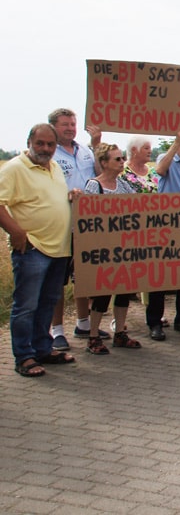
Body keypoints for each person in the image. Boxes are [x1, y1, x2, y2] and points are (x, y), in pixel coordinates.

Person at [0, 124, 76, 376]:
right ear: (29, 143)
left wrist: (71, 197)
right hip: (33, 248)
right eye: (40, 143)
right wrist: (16, 232)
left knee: (48, 302)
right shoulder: (14, 168)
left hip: (58, 249)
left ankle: (43, 348)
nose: (45, 148)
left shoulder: (54, 167)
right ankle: (24, 357)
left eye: (50, 144)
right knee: (26, 306)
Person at [48, 108, 104, 350]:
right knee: (57, 281)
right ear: (53, 127)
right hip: (61, 224)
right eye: (65, 124)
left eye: (73, 124)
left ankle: (83, 323)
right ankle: (57, 330)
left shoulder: (85, 151)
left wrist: (96, 144)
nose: (70, 128)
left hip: (86, 225)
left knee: (84, 277)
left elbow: (100, 175)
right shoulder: (50, 153)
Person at [82, 143, 143, 354]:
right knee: (102, 293)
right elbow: (88, 218)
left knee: (124, 291)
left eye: (122, 158)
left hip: (123, 247)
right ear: (104, 162)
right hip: (103, 249)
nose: (122, 162)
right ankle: (93, 336)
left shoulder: (123, 185)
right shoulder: (94, 186)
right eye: (117, 159)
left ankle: (120, 332)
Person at [147, 129, 180, 339]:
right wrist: (175, 144)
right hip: (164, 226)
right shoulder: (166, 159)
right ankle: (155, 321)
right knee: (160, 276)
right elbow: (159, 171)